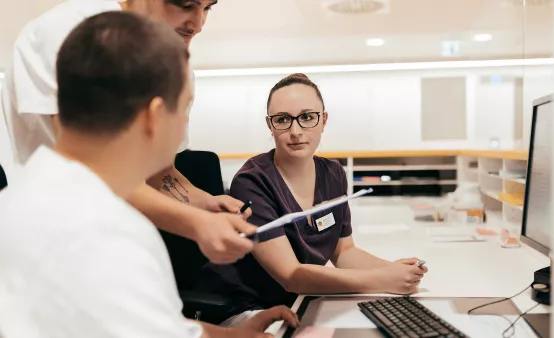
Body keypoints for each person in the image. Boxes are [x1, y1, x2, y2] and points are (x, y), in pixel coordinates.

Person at [0, 12, 298, 338]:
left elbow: (138, 323)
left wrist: (233, 335)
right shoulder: (111, 236)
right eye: (184, 108)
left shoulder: (23, 198)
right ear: (154, 116)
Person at [0, 0, 254, 265]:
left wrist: (206, 204)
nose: (199, 25)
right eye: (186, 4)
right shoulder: (68, 32)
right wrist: (195, 223)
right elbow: (88, 165)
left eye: (207, 8)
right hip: (55, 239)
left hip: (119, 241)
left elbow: (159, 172)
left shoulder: (174, 65)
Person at [197, 73, 429, 325]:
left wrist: (397, 272)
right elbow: (291, 275)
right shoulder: (252, 182)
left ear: (323, 120)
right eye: (283, 120)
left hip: (302, 301)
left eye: (307, 117)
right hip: (248, 309)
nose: (295, 131)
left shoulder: (334, 175)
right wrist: (383, 279)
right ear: (270, 125)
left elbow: (344, 252)